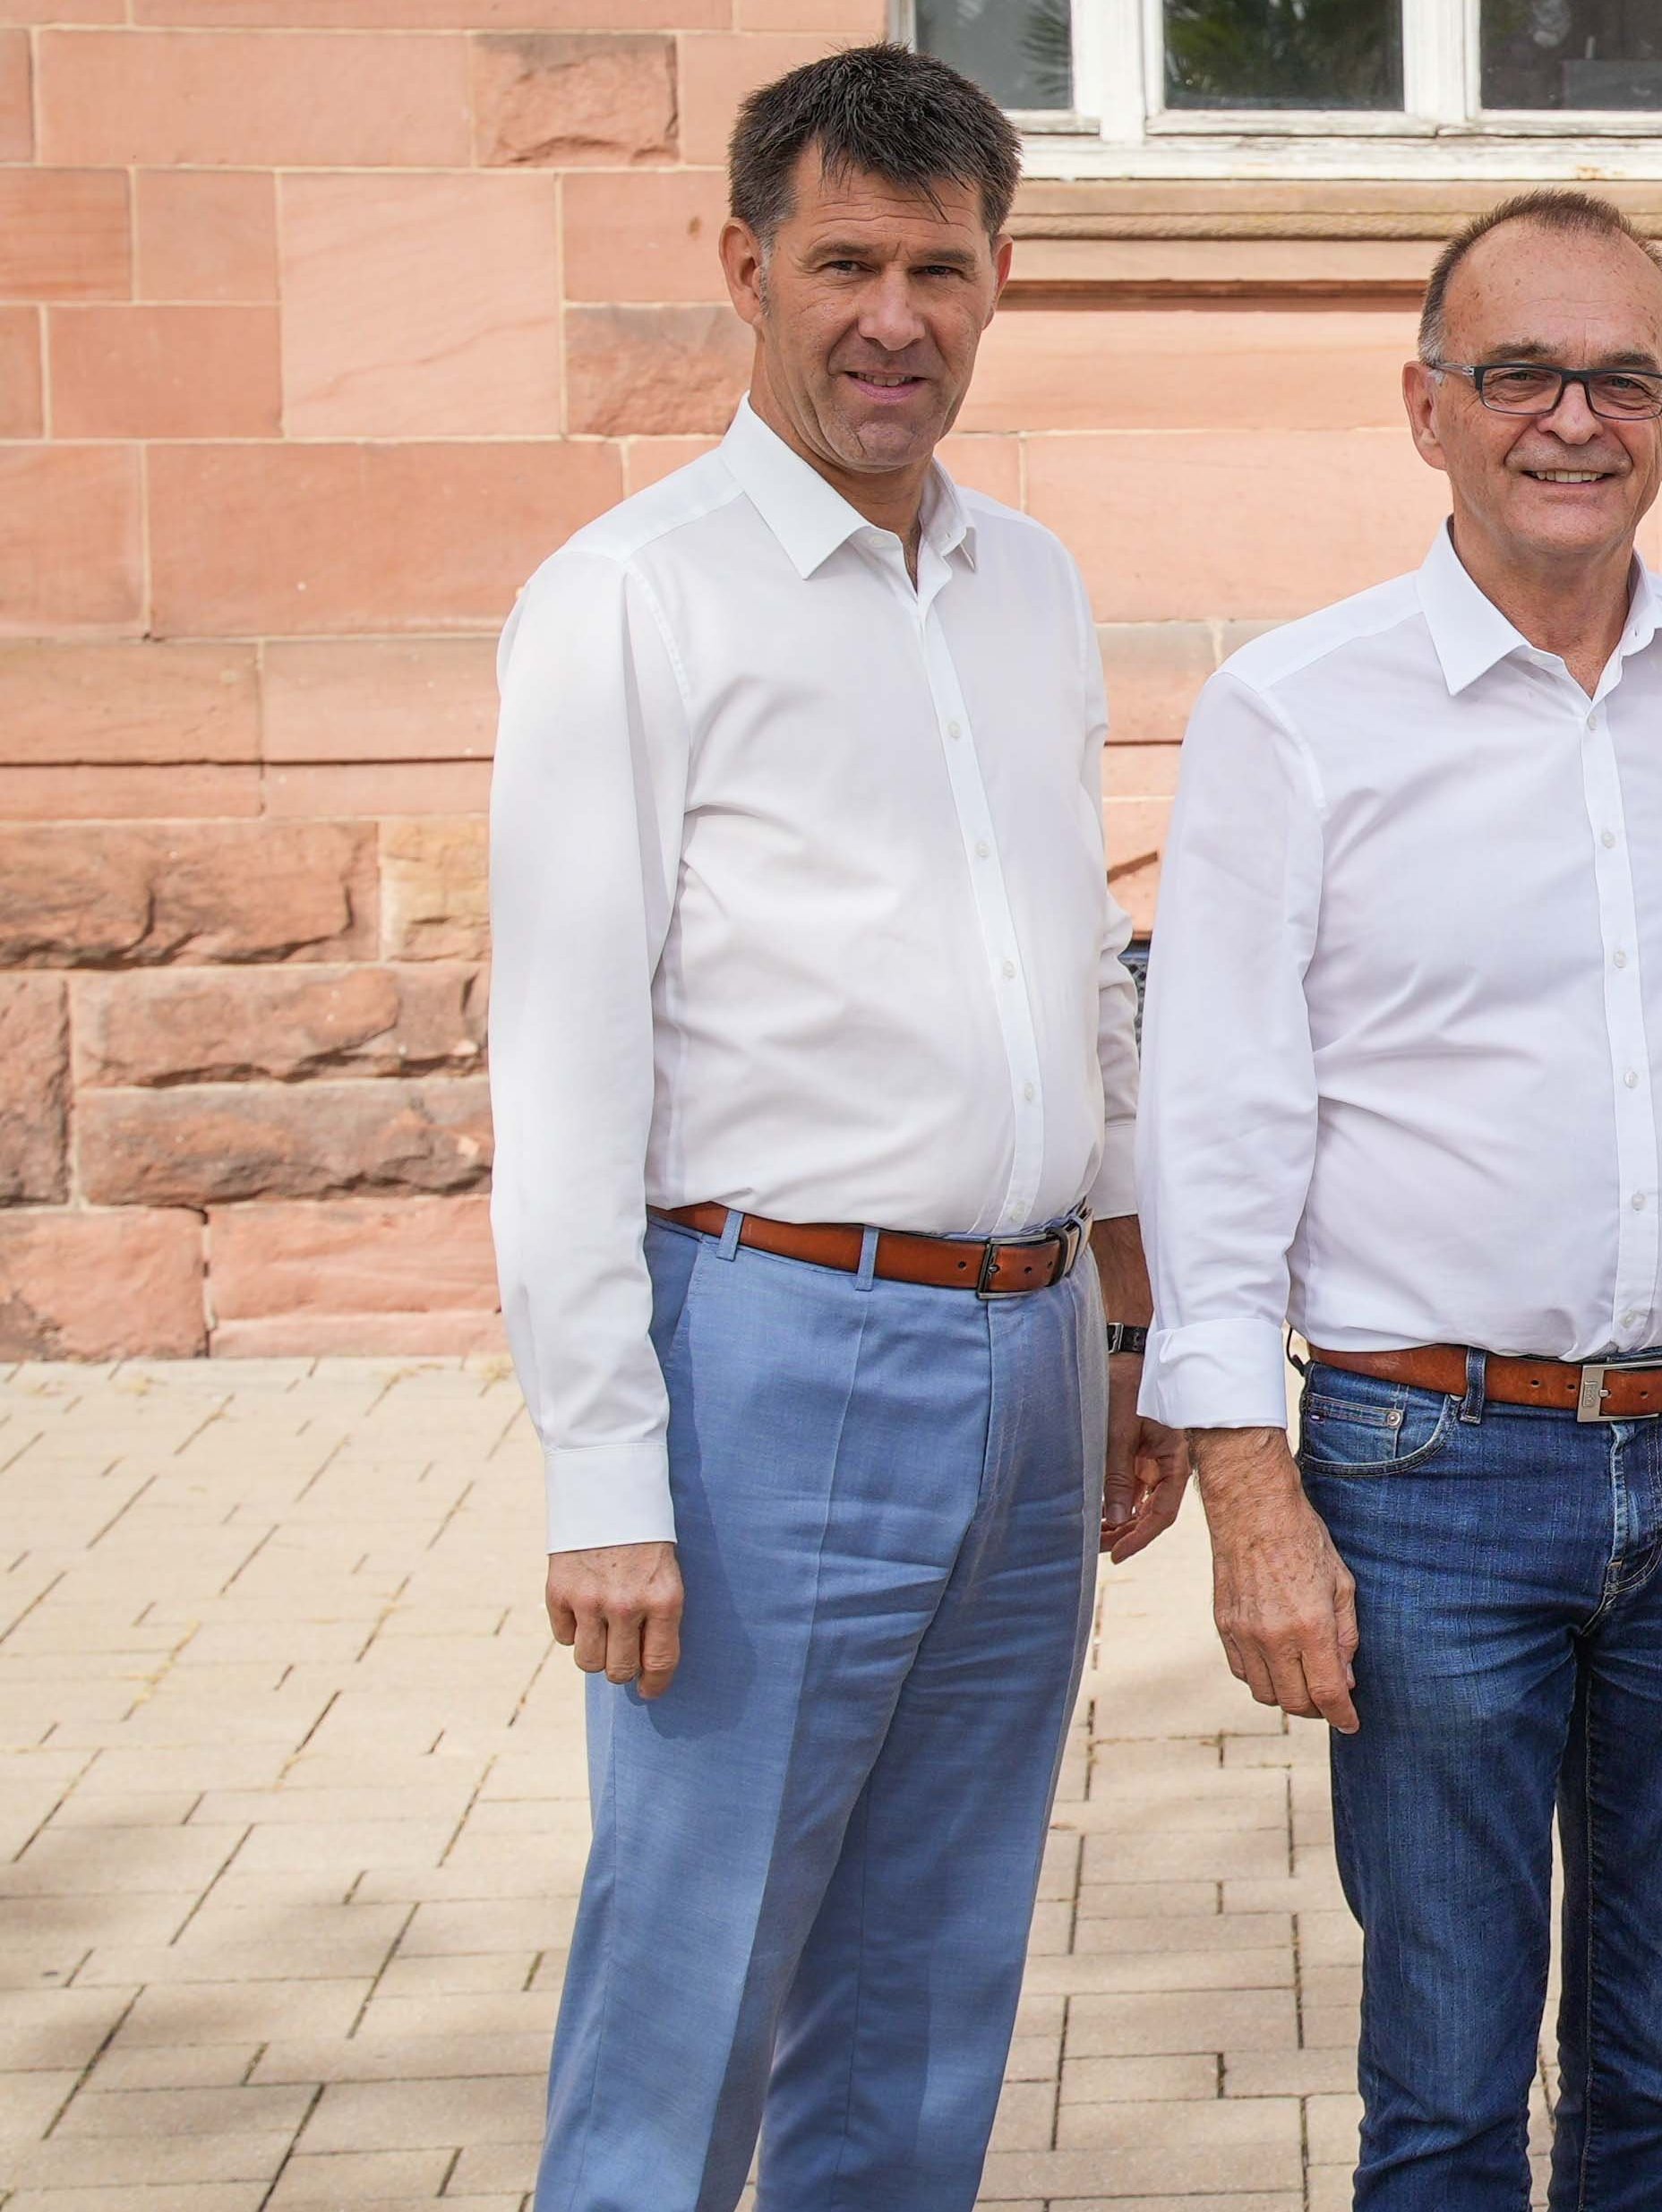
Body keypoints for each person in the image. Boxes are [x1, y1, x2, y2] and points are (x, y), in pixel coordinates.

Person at [1133, 190, 1662, 2210]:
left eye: (1623, 376)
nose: (1575, 416)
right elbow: (1211, 1118)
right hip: (1423, 1465)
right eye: (1521, 372)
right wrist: (1246, 1492)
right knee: (1451, 2086)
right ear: (1427, 406)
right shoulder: (1296, 713)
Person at [486, 45, 1182, 2209]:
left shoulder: (1033, 584)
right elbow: (566, 1063)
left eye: (942, 269)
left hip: (1026, 1356)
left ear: (1000, 280)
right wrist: (607, 1475)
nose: (897, 316)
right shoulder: (635, 596)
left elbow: (1082, 975)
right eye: (847, 263)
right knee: (690, 1982)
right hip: (771, 1359)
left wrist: (1142, 1321)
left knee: (931, 1980)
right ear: (744, 265)